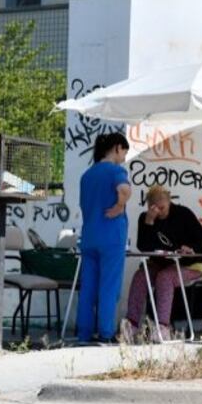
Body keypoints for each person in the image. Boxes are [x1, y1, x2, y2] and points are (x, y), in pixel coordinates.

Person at [119, 186, 202, 343]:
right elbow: (143, 247)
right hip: (160, 263)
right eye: (155, 209)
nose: (159, 212)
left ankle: (162, 327)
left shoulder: (183, 214)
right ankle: (132, 325)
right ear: (149, 207)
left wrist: (191, 248)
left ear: (169, 202)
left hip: (189, 264)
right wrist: (149, 222)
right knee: (141, 276)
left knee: (164, 278)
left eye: (163, 208)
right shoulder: (146, 218)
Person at [77, 132, 132, 344]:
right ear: (117, 148)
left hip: (89, 236)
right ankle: (106, 333)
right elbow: (125, 190)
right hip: (111, 237)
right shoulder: (116, 171)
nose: (124, 158)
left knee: (88, 286)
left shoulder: (87, 175)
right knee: (109, 286)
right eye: (124, 153)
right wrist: (120, 206)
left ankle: (83, 333)